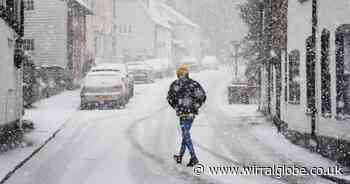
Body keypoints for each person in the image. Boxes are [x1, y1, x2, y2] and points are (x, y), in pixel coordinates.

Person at [167, 64, 206, 167]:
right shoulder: (194, 84)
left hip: (183, 113)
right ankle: (180, 156)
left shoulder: (176, 85)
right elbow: (203, 96)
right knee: (185, 134)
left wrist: (176, 106)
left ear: (178, 74)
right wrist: (197, 105)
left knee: (186, 134)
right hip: (191, 113)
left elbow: (170, 98)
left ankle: (194, 158)